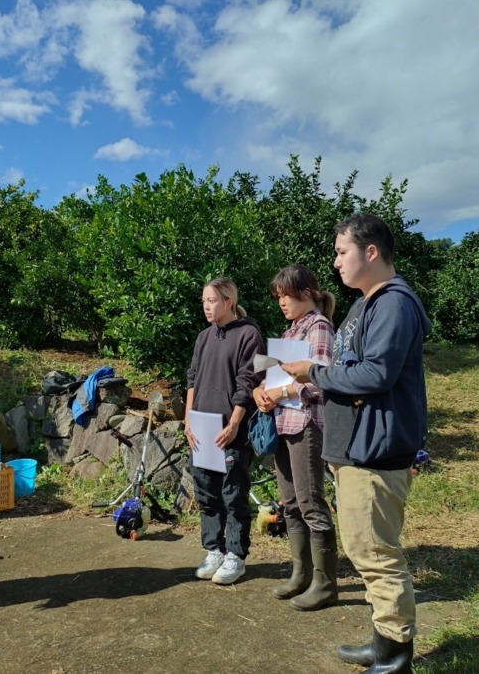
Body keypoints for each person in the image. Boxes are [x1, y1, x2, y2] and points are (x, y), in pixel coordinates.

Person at [283, 213, 430, 674]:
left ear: (370, 252)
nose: (335, 262)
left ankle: (394, 657)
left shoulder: (393, 303)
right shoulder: (367, 304)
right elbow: (356, 368)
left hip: (374, 451)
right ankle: (383, 642)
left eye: (341, 251)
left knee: (376, 553)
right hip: (356, 448)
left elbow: (376, 374)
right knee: (366, 549)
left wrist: (314, 373)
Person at [252, 264, 338, 611]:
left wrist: (282, 391)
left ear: (306, 293)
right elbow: (274, 377)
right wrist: (261, 391)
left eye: (285, 296)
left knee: (311, 503)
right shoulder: (290, 333)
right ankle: (301, 574)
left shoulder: (319, 327)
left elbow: (323, 379)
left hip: (306, 424)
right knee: (290, 504)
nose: (281, 303)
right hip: (283, 423)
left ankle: (325, 584)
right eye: (278, 297)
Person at [184, 277, 265, 585]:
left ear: (229, 301)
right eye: (204, 301)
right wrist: (188, 420)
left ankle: (236, 556)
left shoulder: (248, 333)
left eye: (212, 301)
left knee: (233, 494)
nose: (206, 306)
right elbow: (192, 378)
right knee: (207, 494)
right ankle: (214, 550)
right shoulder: (204, 337)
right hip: (201, 427)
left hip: (231, 430)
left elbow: (248, 381)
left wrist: (234, 423)